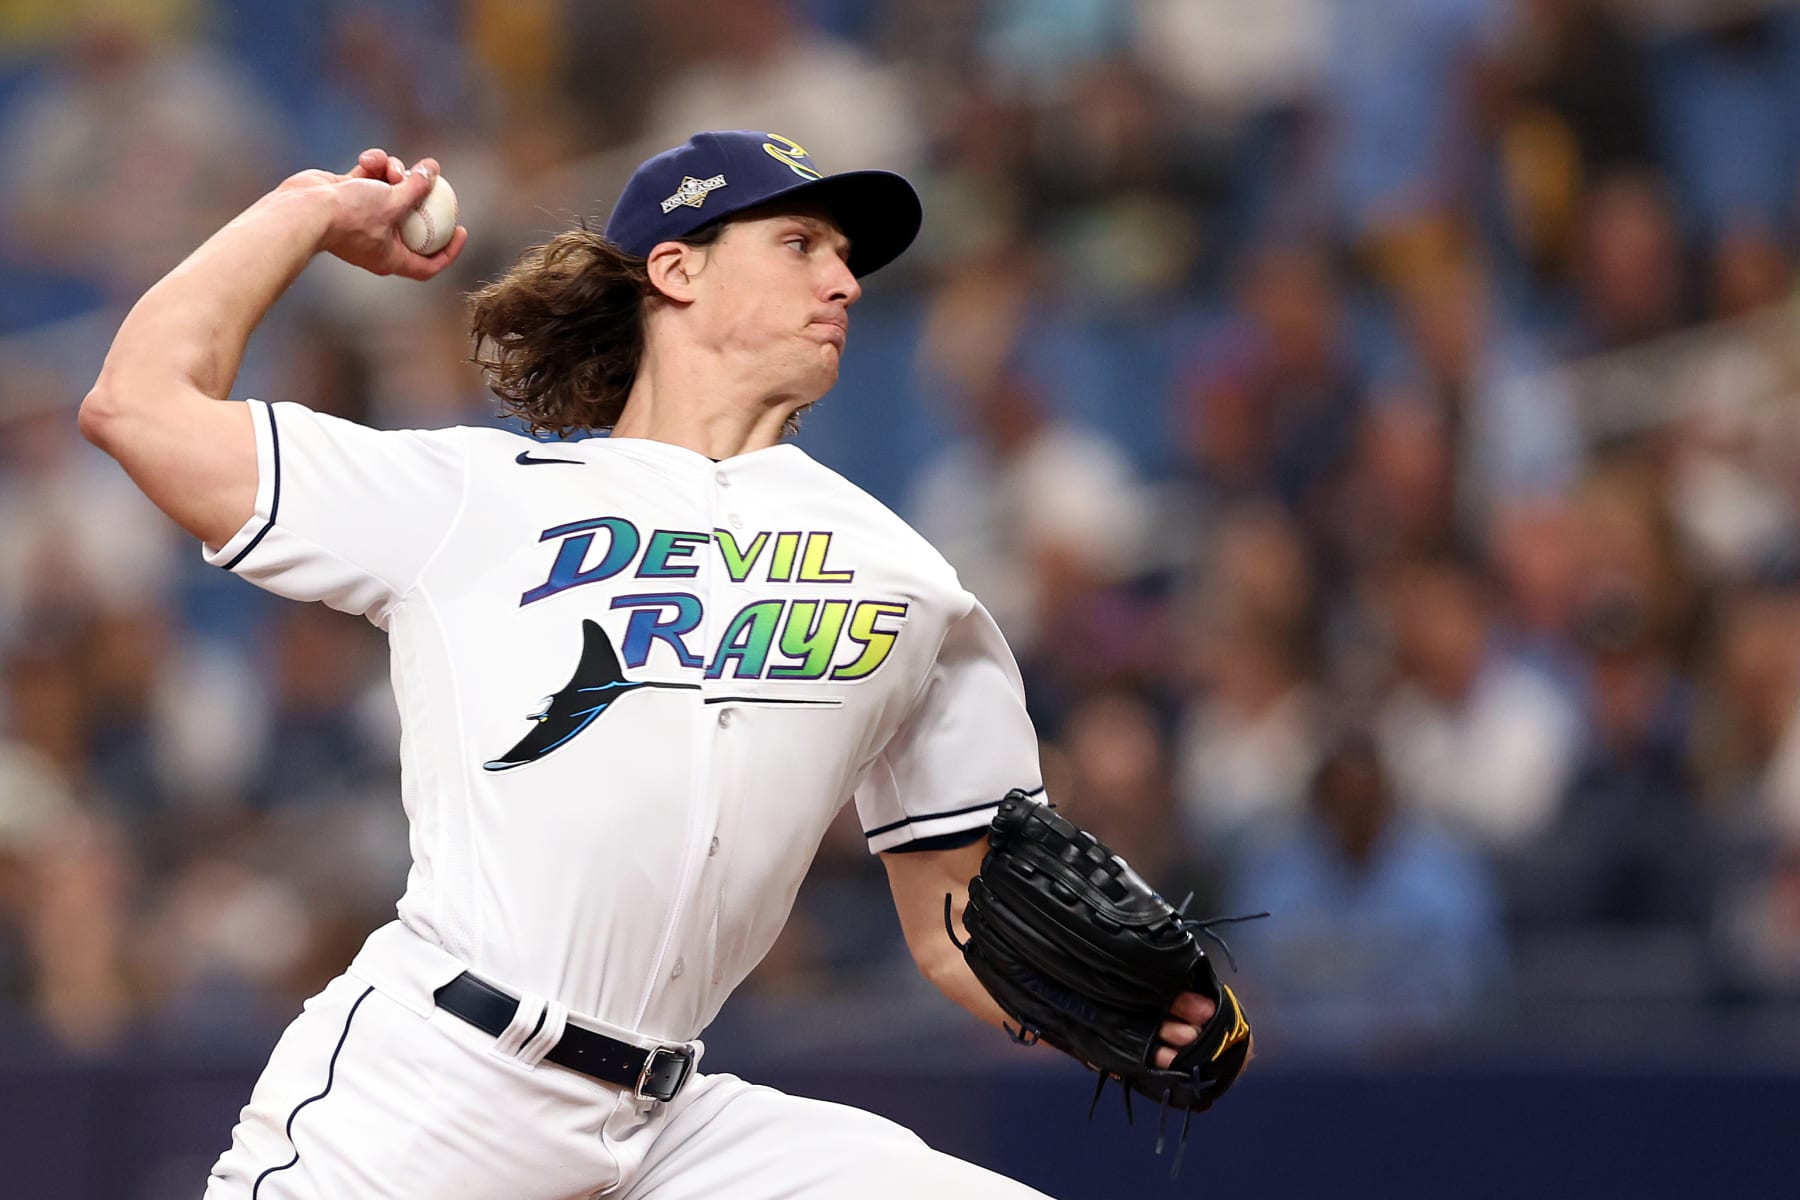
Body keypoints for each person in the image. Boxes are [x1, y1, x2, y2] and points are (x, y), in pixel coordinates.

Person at [80, 131, 1219, 1199]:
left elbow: (954, 922)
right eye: (802, 244)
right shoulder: (473, 498)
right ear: (675, 268)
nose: (848, 283)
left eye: (847, 258)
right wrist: (311, 207)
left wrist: (1120, 1011)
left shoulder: (910, 578)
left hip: (670, 1126)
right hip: (436, 1087)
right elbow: (139, 404)